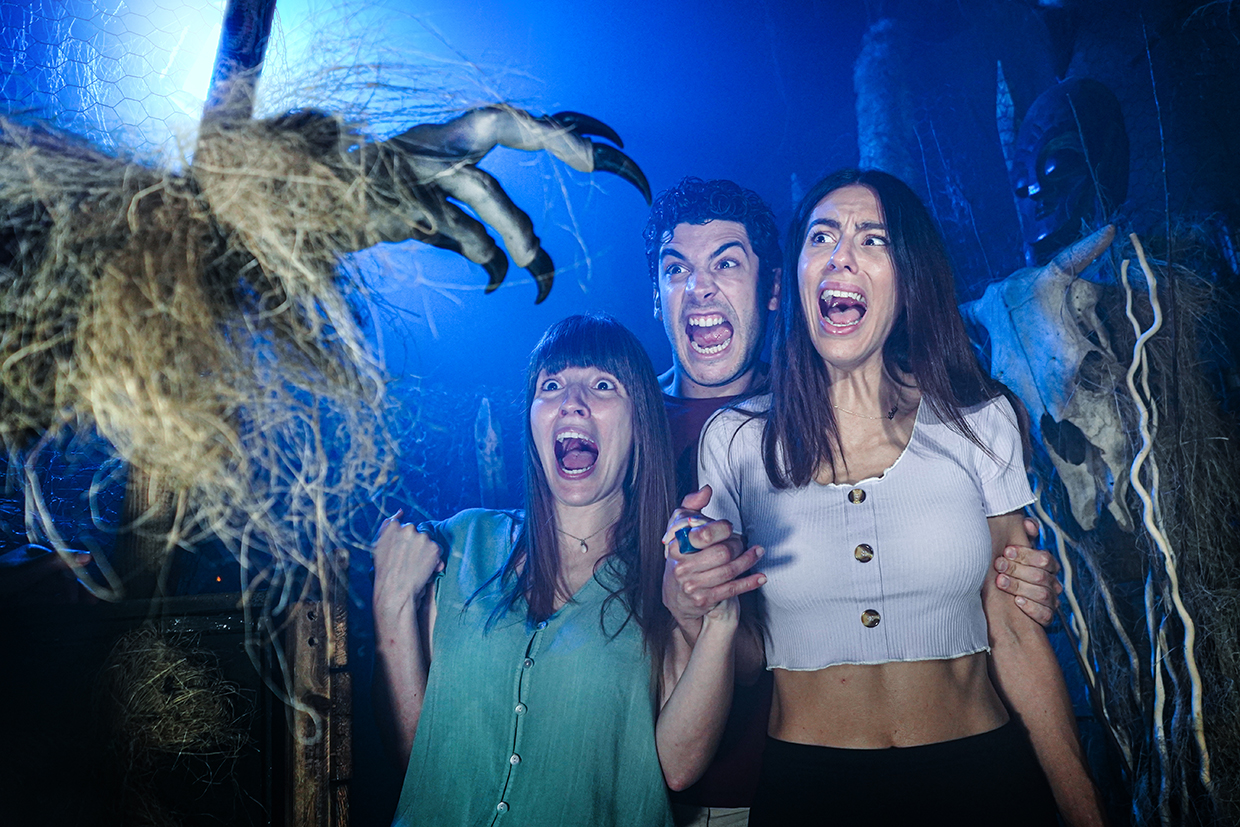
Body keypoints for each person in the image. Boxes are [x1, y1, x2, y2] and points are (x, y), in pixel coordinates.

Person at [674, 169, 1106, 825]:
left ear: (907, 281)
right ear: (794, 277)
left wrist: (1085, 810)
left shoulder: (981, 420)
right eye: (822, 237)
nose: (841, 257)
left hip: (983, 780)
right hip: (808, 792)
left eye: (872, 240)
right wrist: (702, 601)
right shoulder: (734, 441)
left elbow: (1017, 629)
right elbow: (746, 658)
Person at [372, 313, 746, 827]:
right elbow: (419, 758)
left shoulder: (665, 575)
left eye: (602, 384)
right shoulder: (460, 543)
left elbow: (677, 769)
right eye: (552, 385)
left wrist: (720, 615)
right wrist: (391, 605)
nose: (572, 401)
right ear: (531, 421)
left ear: (639, 424)